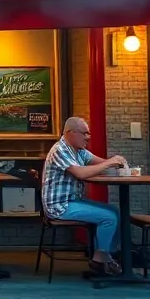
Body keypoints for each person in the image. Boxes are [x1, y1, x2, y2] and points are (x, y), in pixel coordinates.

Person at [42, 116, 129, 275]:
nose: (88, 137)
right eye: (85, 133)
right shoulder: (60, 150)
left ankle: (107, 255)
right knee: (108, 217)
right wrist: (109, 163)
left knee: (115, 211)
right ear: (71, 133)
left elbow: (100, 163)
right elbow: (80, 173)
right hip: (59, 206)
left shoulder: (79, 151)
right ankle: (100, 260)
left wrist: (117, 163)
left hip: (73, 201)